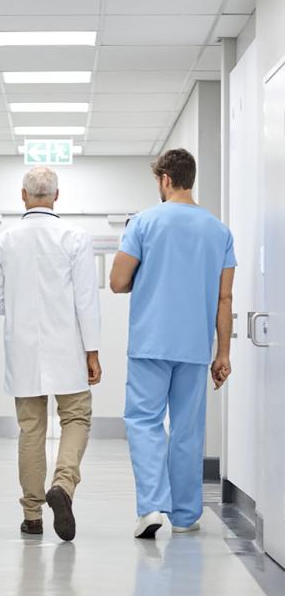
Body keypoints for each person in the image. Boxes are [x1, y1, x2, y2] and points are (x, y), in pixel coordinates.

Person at [110, 148, 236, 539]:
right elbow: (224, 299)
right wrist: (224, 353)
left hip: (151, 342)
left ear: (164, 179)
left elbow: (117, 281)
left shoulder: (144, 222)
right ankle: (184, 514)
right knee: (187, 428)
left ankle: (150, 506)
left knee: (144, 423)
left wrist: (143, 277)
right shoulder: (219, 231)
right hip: (195, 347)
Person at [0, 166, 102, 542]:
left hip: (24, 350)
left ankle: (32, 515)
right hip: (68, 345)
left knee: (31, 428)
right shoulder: (75, 236)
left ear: (22, 196)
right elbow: (86, 299)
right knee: (76, 417)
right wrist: (93, 351)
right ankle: (63, 487)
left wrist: (21, 309)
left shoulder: (6, 239)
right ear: (57, 196)